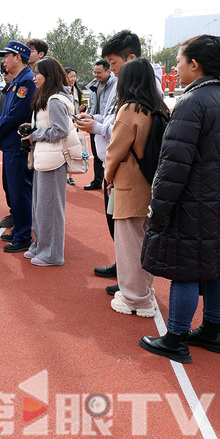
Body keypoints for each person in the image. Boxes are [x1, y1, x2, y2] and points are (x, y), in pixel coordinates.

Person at [140, 35, 220, 364]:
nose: (176, 68)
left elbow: (174, 166)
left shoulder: (191, 102)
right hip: (218, 199)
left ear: (194, 65)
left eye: (180, 62)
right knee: (215, 267)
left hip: (192, 201)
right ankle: (213, 331)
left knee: (185, 270)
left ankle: (177, 338)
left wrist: (159, 209)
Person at [76, 31, 143, 279]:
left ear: (131, 58)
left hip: (126, 168)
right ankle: (123, 267)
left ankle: (132, 281)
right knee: (115, 223)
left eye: (114, 63)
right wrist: (95, 119)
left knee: (128, 228)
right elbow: (114, 118)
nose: (111, 69)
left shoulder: (141, 88)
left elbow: (124, 128)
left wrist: (97, 127)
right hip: (113, 166)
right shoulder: (123, 86)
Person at [103, 58, 164, 317]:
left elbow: (115, 150)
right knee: (144, 240)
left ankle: (135, 298)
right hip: (150, 182)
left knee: (129, 244)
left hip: (130, 182)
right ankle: (144, 292)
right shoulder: (157, 106)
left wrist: (107, 176)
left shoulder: (131, 109)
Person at [22, 57, 74, 265]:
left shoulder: (54, 100)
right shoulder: (48, 97)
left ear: (49, 76)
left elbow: (60, 130)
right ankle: (40, 246)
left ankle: (52, 254)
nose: (34, 78)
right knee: (41, 207)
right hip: (44, 157)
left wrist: (35, 133)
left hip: (53, 159)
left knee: (50, 208)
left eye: (37, 74)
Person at [0, 40, 36, 253]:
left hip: (18, 144)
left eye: (6, 56)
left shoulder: (27, 81)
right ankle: (19, 227)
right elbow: (5, 111)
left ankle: (23, 235)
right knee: (14, 188)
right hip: (10, 142)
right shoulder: (18, 80)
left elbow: (17, 114)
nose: (4, 61)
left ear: (17, 57)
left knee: (20, 190)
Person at [0, 58, 20, 229]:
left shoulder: (20, 91)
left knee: (19, 184)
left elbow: (14, 117)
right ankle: (14, 212)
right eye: (3, 72)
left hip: (17, 144)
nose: (4, 75)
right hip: (6, 144)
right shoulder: (3, 93)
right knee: (7, 182)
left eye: (8, 72)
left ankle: (20, 218)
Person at [83, 60, 113, 191]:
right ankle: (97, 181)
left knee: (108, 153)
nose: (96, 75)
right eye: (94, 72)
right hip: (94, 122)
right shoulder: (94, 86)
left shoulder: (115, 85)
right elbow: (92, 104)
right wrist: (89, 115)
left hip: (107, 124)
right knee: (96, 154)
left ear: (108, 71)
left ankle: (109, 179)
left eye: (99, 72)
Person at [64, 67, 85, 186]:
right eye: (71, 76)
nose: (73, 79)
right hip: (63, 124)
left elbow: (84, 102)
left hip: (74, 124)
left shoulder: (77, 90)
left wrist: (83, 107)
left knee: (73, 148)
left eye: (75, 76)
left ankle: (70, 175)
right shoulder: (59, 90)